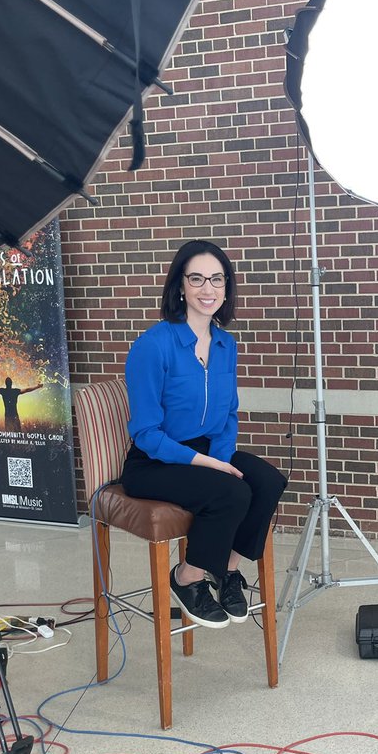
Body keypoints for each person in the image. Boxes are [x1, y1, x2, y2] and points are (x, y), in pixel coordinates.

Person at [122, 239, 286, 629]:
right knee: (231, 490)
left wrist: (222, 458)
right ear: (180, 285)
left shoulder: (226, 345)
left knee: (267, 481)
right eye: (197, 279)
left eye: (217, 279)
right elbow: (145, 432)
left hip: (207, 451)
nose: (207, 289)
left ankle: (227, 571)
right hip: (155, 461)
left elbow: (229, 412)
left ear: (226, 287)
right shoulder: (153, 345)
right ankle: (188, 577)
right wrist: (209, 464)